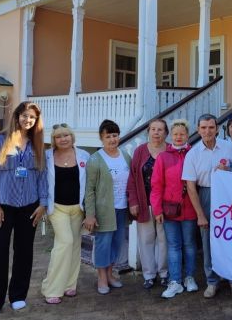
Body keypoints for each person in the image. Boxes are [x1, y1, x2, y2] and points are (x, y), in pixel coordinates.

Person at [0, 101, 48, 320]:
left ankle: (18, 295)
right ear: (17, 116)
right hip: (4, 205)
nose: (28, 120)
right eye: (25, 115)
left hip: (29, 206)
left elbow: (42, 176)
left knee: (24, 251)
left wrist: (43, 204)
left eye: (32, 117)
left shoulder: (37, 144)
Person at [182, 113, 232, 298]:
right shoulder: (193, 154)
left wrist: (229, 170)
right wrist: (200, 214)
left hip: (229, 195)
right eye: (204, 127)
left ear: (217, 128)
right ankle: (212, 280)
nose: (207, 131)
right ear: (198, 130)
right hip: (205, 194)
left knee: (230, 237)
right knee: (207, 241)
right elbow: (190, 186)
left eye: (211, 127)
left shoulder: (230, 147)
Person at [41, 123, 90, 304]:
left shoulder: (84, 155)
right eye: (59, 136)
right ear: (53, 140)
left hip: (78, 208)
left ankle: (70, 284)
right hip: (57, 208)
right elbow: (41, 182)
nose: (63, 139)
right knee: (65, 242)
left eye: (66, 135)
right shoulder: (47, 157)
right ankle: (51, 288)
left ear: (72, 137)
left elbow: (90, 183)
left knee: (75, 244)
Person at [150, 120, 199, 298]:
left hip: (190, 209)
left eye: (182, 134)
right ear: (171, 136)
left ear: (187, 135)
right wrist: (157, 210)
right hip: (170, 210)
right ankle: (175, 281)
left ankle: (190, 277)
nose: (179, 137)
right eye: (175, 134)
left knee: (189, 245)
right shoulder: (163, 157)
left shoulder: (194, 154)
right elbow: (156, 185)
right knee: (174, 246)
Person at [84, 119, 131, 295]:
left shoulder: (125, 155)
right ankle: (101, 278)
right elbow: (90, 190)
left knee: (117, 244)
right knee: (104, 244)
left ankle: (111, 275)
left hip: (122, 209)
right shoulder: (95, 159)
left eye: (115, 135)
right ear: (101, 138)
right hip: (104, 211)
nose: (112, 139)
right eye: (108, 136)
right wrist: (90, 214)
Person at [127, 119, 169, 289]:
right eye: (153, 129)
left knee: (164, 240)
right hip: (144, 203)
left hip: (165, 204)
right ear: (148, 132)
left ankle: (164, 273)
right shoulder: (140, 151)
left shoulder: (170, 150)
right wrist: (133, 201)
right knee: (146, 240)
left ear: (166, 133)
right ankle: (149, 275)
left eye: (160, 130)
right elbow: (132, 178)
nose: (156, 133)